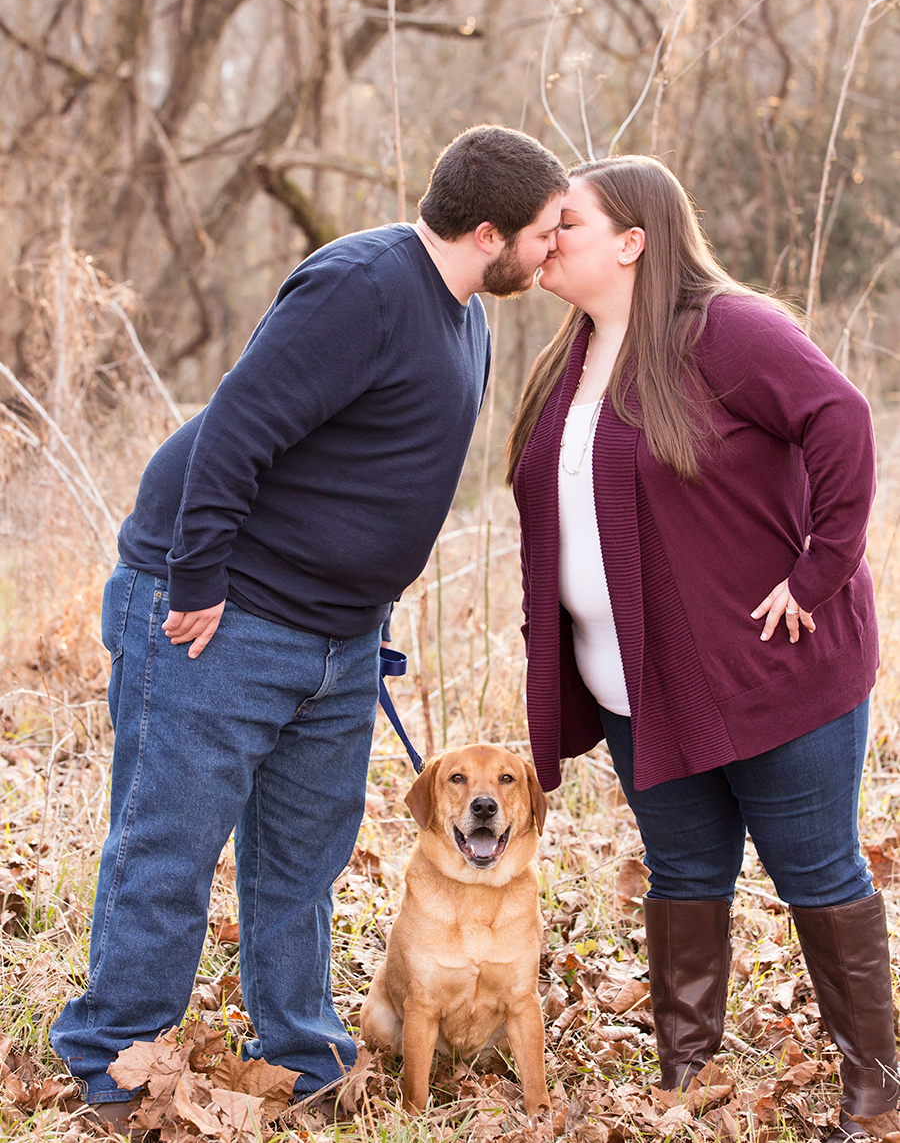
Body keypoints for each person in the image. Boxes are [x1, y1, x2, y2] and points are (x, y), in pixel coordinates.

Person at [51, 124, 568, 1124]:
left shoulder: (466, 317)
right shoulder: (365, 286)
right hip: (221, 615)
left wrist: (364, 619)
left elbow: (373, 475)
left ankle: (297, 1050)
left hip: (337, 642)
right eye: (547, 233)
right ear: (492, 230)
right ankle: (113, 1069)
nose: (555, 250)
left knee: (302, 862)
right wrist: (195, 578)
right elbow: (239, 425)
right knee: (168, 849)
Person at [506, 155, 898, 1143]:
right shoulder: (571, 357)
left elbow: (842, 422)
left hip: (772, 674)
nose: (548, 244)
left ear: (635, 240)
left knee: (817, 873)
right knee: (683, 872)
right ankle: (687, 1080)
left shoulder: (727, 331)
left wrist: (818, 573)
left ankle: (876, 1090)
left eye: (569, 227)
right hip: (642, 685)